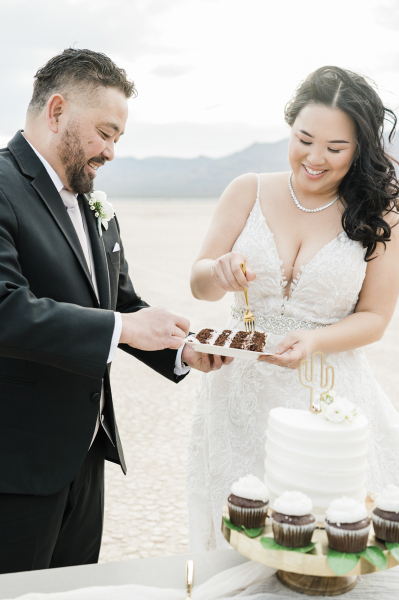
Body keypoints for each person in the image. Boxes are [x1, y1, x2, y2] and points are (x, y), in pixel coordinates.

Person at [0, 48, 232, 574]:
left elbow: (119, 304)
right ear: (56, 111)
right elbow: (6, 307)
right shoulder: (2, 185)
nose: (110, 151)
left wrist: (184, 350)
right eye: (105, 132)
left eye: (119, 138)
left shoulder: (91, 201)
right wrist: (126, 326)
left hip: (87, 457)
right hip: (14, 466)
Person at [187, 66, 399, 551]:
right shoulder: (247, 189)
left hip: (325, 394)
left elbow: (375, 319)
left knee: (325, 538)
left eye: (335, 148)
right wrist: (217, 271)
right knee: (236, 537)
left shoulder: (381, 212)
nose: (315, 158)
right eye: (304, 138)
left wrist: (315, 340)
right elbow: (200, 283)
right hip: (236, 395)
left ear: (359, 149)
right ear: (290, 127)